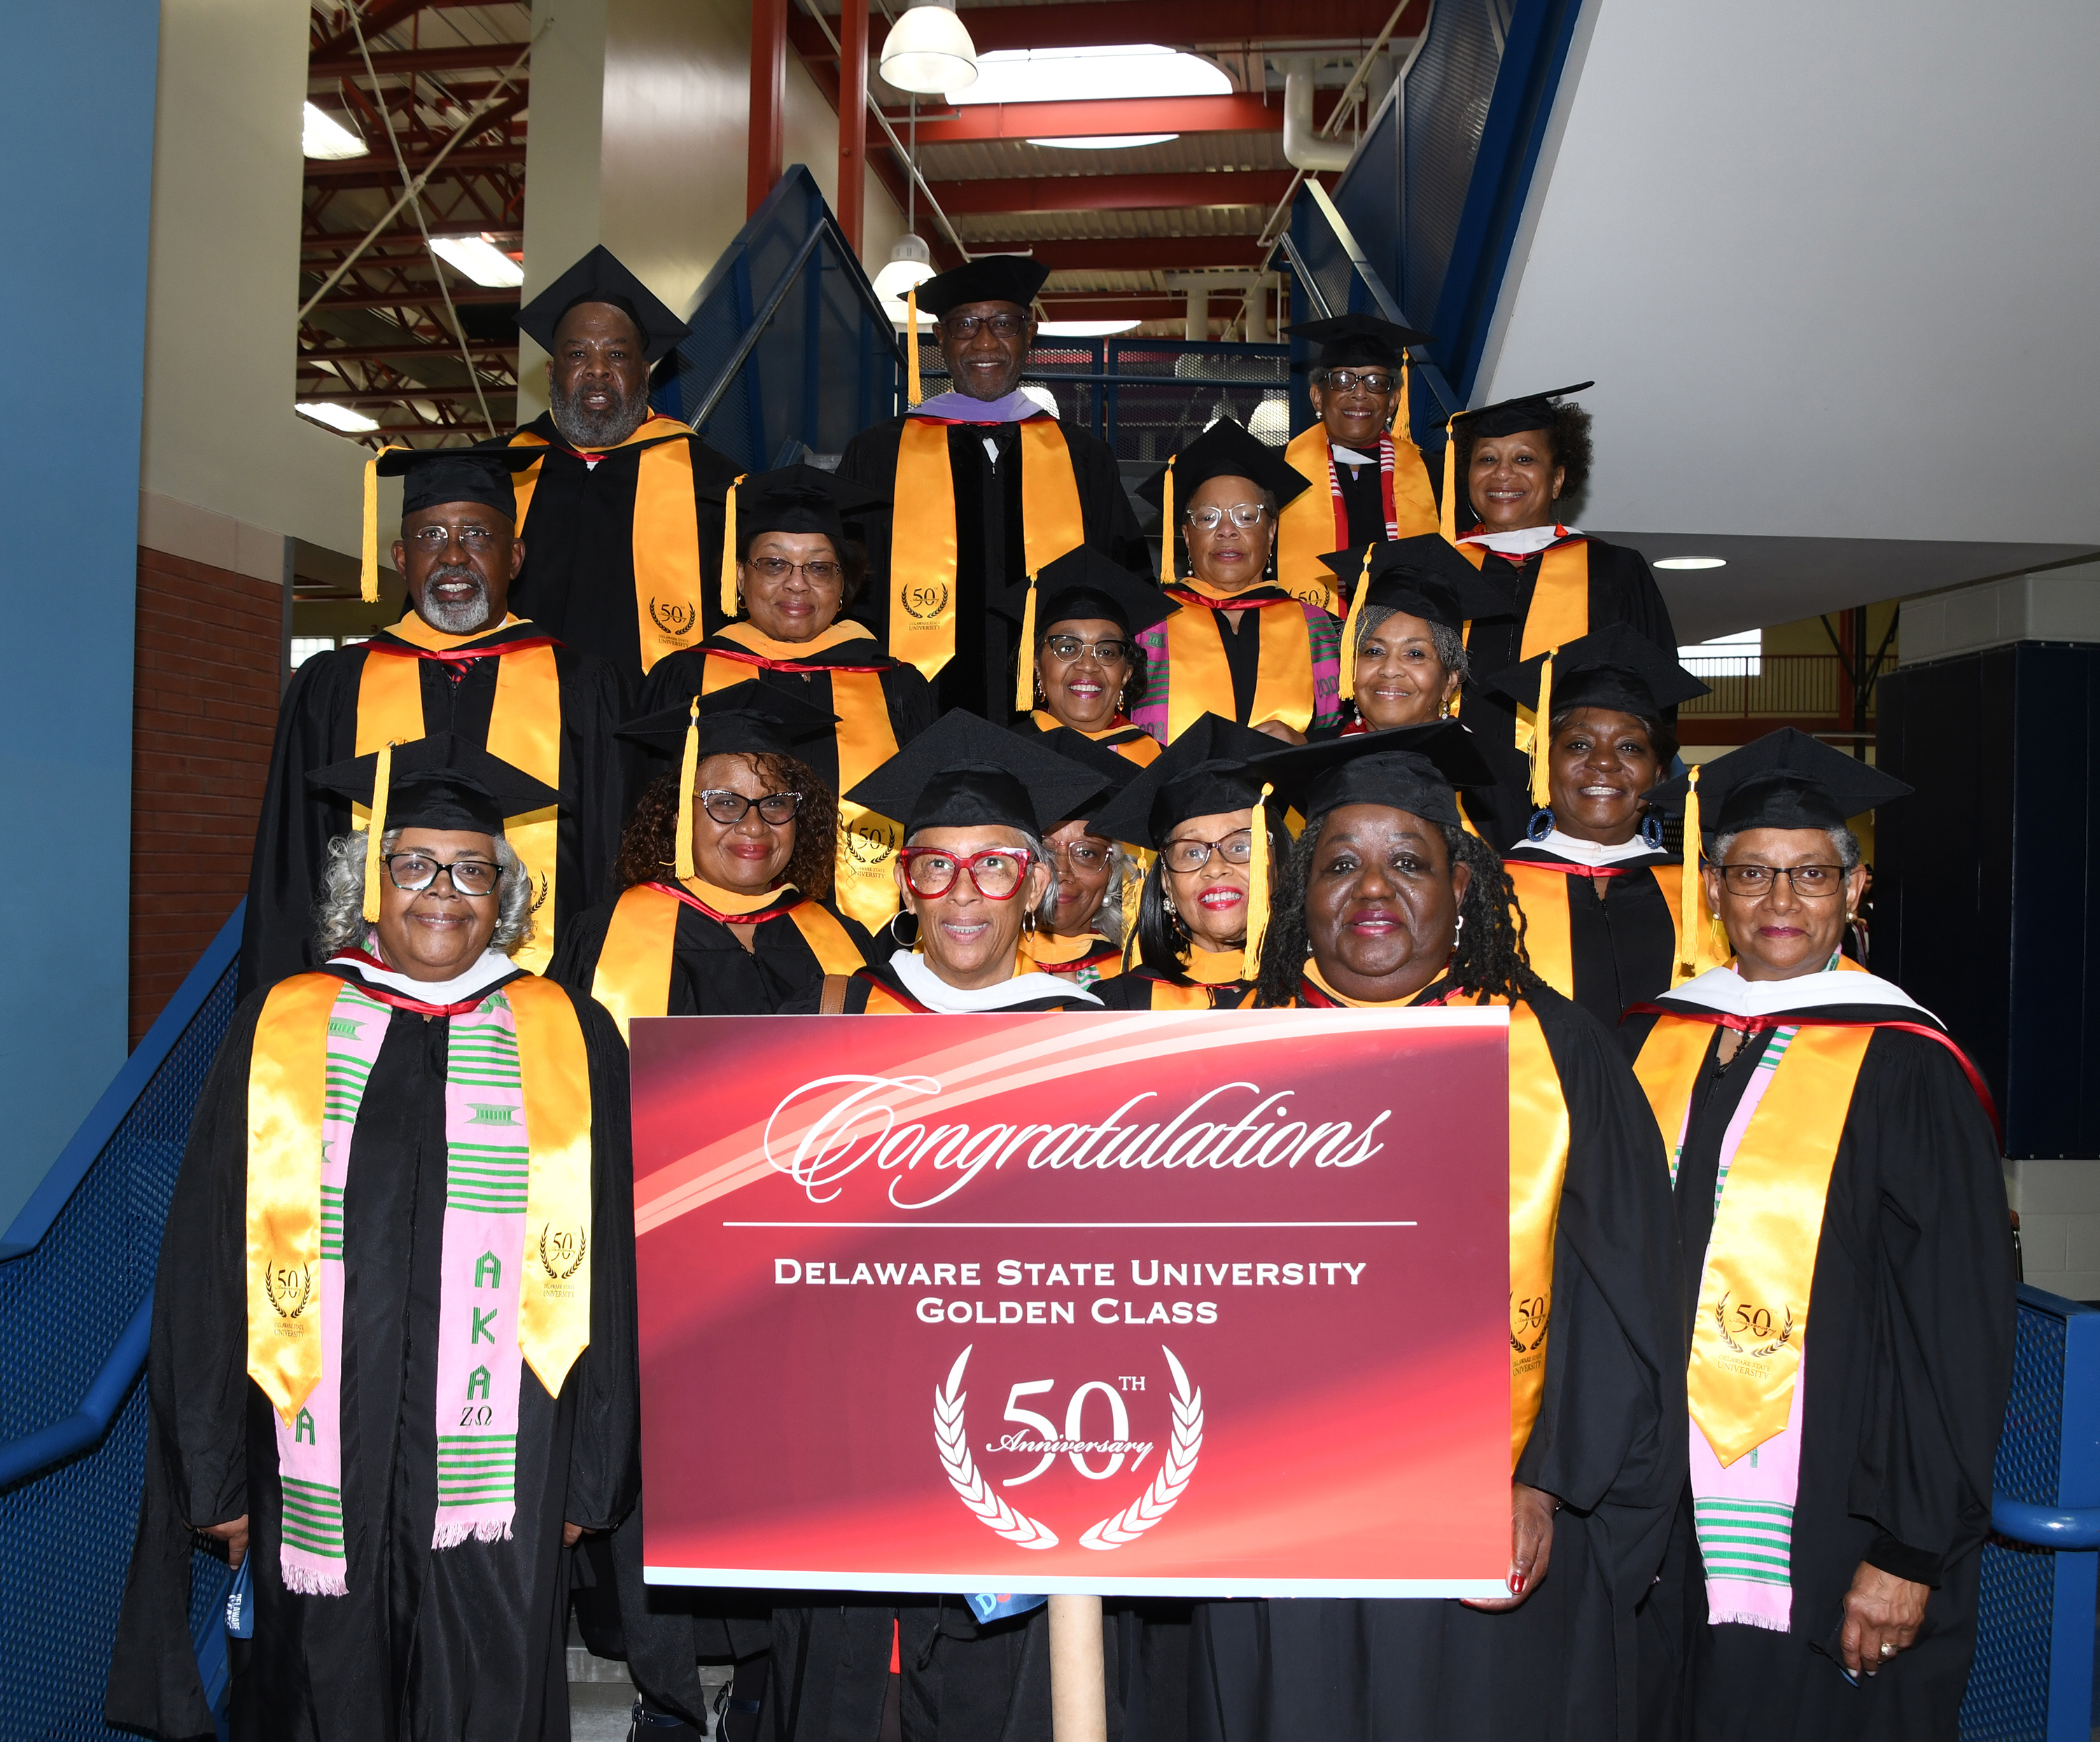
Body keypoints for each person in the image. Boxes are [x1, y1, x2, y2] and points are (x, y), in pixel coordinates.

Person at [107, 735, 637, 1742]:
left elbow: (614, 1265)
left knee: (487, 1690)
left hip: (510, 1461)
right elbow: (211, 1261)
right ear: (369, 885)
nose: (444, 891)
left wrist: (593, 1473)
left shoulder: (567, 1032)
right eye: (413, 865)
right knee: (320, 1689)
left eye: (473, 869)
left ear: (504, 896)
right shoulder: (286, 1023)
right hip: (316, 1444)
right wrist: (214, 1471)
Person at [1180, 723, 1684, 1741]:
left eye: (1408, 861)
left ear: (1464, 885)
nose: (1373, 891)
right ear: (1300, 894)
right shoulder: (1222, 1060)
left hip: (1489, 1509)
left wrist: (1543, 1479)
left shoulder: (1562, 1052)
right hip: (1278, 1509)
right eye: (1340, 865)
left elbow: (1623, 1299)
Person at [1623, 729, 2014, 1742]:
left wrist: (1911, 1550)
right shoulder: (1661, 1039)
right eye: (1752, 873)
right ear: (1710, 889)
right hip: (1660, 1519)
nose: (1781, 903)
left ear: (1855, 887)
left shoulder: (1907, 1065)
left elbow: (1956, 1327)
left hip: (1835, 1514)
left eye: (1810, 875)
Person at [242, 447, 629, 993]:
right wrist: (289, 1009)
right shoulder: (334, 687)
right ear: (401, 560)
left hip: (543, 1002)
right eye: (430, 538)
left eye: (476, 535)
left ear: (514, 557)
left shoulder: (584, 688)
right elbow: (292, 869)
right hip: (363, 1000)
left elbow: (606, 860)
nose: (453, 557)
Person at [835, 255, 1148, 718]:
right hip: (914, 712)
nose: (985, 341)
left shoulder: (1082, 458)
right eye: (964, 324)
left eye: (1004, 322)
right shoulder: (879, 455)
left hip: (1053, 716)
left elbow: (1121, 585)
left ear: (1030, 333)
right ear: (939, 338)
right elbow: (846, 584)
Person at [639, 464, 935, 932]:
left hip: (870, 941)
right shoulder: (685, 677)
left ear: (844, 587)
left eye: (820, 567)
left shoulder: (897, 687)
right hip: (710, 935)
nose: (797, 584)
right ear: (739, 576)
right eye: (774, 564)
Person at [550, 688, 872, 1031]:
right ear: (678, 817)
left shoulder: (845, 939)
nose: (754, 826)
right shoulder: (603, 935)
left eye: (775, 803)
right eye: (725, 803)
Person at [499, 245, 741, 683]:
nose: (597, 370)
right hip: (517, 715)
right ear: (552, 374)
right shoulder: (502, 470)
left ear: (644, 373)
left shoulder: (713, 482)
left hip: (651, 723)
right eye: (577, 355)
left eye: (616, 355)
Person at [785, 711, 1112, 1016]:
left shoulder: (1082, 1032)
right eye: (939, 865)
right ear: (907, 887)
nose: (963, 892)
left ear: (1035, 888)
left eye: (994, 863)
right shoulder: (837, 1014)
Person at [1480, 625, 1718, 1033]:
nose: (1604, 762)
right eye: (1578, 744)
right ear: (1542, 764)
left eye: (1630, 747)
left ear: (1659, 774)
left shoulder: (1703, 891)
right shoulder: (1489, 889)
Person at [1438, 382, 1680, 760]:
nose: (1502, 474)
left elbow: (1652, 696)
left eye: (1524, 459)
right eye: (1486, 459)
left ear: (1557, 480)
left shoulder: (1614, 571)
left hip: (1576, 785)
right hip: (1452, 778)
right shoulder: (1437, 569)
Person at [1132, 419, 1340, 746]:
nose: (1226, 530)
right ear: (1186, 537)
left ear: (1271, 532)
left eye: (1246, 516)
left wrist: (1306, 749)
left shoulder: (1321, 629)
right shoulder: (1146, 626)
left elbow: (1348, 738)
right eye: (1207, 517)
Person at [1088, 714, 1292, 1011]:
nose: (1215, 868)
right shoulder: (1119, 1006)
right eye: (1192, 852)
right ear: (1167, 884)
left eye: (1239, 846)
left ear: (1279, 865)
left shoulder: (1323, 1001)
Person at [1274, 313, 1441, 605]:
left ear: (1393, 401)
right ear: (1317, 397)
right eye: (1342, 380)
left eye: (1376, 382)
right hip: (1307, 640)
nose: (1360, 393)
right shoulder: (1275, 472)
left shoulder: (1435, 475)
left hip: (1401, 643)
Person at [1010, 545, 1176, 766]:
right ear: (1037, 665)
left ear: (1126, 673)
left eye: (1106, 651)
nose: (1088, 665)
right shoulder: (1002, 759)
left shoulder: (1160, 767)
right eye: (1068, 648)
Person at [1019, 725, 1142, 988]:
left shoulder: (1136, 984)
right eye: (1046, 851)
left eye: (1086, 853)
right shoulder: (975, 976)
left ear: (1112, 871)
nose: (1062, 871)